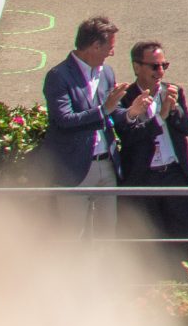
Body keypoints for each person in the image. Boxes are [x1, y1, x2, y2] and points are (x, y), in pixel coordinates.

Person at [114, 40, 188, 259]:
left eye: (164, 65)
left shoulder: (172, 92)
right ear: (137, 67)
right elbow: (128, 135)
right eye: (154, 66)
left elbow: (187, 128)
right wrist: (159, 117)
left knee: (186, 242)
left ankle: (187, 288)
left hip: (173, 173)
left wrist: (174, 110)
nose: (160, 71)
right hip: (144, 176)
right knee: (148, 245)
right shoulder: (126, 97)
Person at [41, 16, 125, 233]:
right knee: (73, 237)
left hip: (106, 164)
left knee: (107, 234)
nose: (112, 53)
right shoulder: (58, 76)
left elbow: (113, 112)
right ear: (95, 46)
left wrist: (134, 113)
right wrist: (103, 110)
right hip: (75, 168)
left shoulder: (106, 72)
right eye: (110, 47)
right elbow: (64, 119)